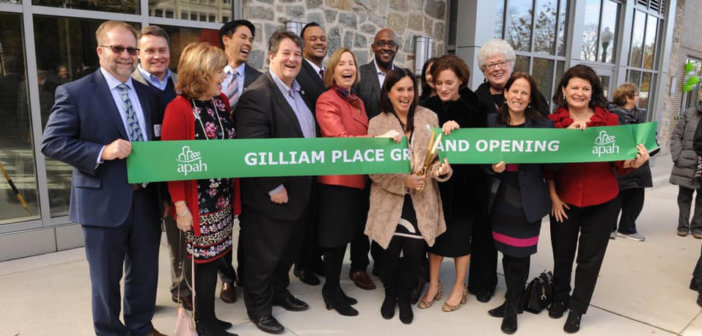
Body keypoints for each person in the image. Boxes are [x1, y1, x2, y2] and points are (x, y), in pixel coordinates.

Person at [41, 20, 165, 336]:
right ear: (100, 51)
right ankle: (109, 332)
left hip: (146, 199)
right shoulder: (75, 92)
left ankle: (141, 327)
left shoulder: (147, 93)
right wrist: (102, 151)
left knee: (144, 273)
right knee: (105, 279)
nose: (126, 55)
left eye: (131, 49)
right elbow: (52, 142)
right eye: (118, 48)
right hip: (103, 201)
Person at [547, 64, 649, 333]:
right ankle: (559, 297)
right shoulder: (552, 122)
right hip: (564, 200)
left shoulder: (609, 121)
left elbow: (619, 164)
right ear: (564, 90)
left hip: (602, 201)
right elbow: (545, 166)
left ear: (593, 92)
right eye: (574, 87)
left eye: (585, 88)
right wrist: (554, 197)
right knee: (562, 255)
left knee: (590, 261)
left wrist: (635, 162)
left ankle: (577, 310)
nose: (579, 92)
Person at [234, 30, 316, 335]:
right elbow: (253, 149)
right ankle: (259, 307)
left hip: (298, 191)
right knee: (263, 253)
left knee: (286, 250)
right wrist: (273, 186)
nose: (293, 59)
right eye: (286, 53)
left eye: (297, 54)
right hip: (272, 195)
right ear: (271, 56)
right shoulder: (257, 94)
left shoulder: (298, 91)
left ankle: (280, 291)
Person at [366, 67, 452, 324]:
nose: (405, 95)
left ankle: (405, 297)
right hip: (389, 201)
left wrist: (442, 170)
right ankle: (390, 295)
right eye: (399, 89)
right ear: (389, 93)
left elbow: (438, 159)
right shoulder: (376, 123)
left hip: (421, 202)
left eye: (410, 89)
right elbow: (372, 169)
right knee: (388, 255)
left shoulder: (430, 117)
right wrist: (403, 180)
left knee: (414, 256)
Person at [162, 42, 237, 336]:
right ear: (202, 72)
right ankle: (203, 324)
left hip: (222, 202)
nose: (224, 76)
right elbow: (172, 164)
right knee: (201, 265)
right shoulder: (178, 108)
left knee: (216, 259)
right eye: (219, 70)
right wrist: (181, 207)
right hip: (197, 204)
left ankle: (210, 317)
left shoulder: (221, 103)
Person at [316, 48, 384, 316]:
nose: (348, 67)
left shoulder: (357, 100)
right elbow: (340, 138)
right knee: (334, 240)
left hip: (357, 181)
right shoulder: (326, 99)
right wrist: (380, 141)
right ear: (332, 71)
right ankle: (331, 291)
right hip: (336, 181)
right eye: (342, 64)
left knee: (346, 236)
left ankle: (334, 288)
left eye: (352, 63)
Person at [485, 72, 553, 334]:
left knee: (520, 255)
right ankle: (511, 300)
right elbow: (480, 157)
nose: (518, 97)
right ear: (505, 93)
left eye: (524, 93)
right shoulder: (492, 121)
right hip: (500, 198)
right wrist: (492, 167)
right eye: (514, 91)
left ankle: (512, 307)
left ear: (530, 98)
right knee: (506, 252)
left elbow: (553, 163)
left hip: (527, 200)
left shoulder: (543, 126)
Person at [131, 25, 191, 311]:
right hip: (141, 179)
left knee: (179, 239)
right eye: (150, 51)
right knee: (141, 245)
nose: (157, 56)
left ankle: (182, 290)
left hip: (176, 175)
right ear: (138, 54)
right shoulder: (127, 86)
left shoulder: (181, 85)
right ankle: (142, 300)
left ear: (170, 52)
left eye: (162, 50)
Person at [421, 54, 487, 311]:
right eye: (439, 83)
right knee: (434, 239)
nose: (444, 88)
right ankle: (434, 284)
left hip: (466, 186)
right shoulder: (427, 106)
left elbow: (482, 147)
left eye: (449, 82)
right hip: (434, 186)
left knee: (461, 239)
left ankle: (459, 287)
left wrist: (460, 130)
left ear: (461, 80)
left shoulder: (476, 106)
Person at [348, 27, 400, 290]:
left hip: (392, 157)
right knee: (360, 213)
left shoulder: (401, 77)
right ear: (373, 47)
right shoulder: (361, 75)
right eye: (381, 43)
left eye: (391, 43)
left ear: (397, 49)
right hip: (365, 154)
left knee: (385, 211)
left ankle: (382, 260)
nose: (386, 47)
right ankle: (358, 266)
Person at [218, 18, 263, 302]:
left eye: (251, 39)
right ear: (226, 39)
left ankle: (246, 272)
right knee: (221, 223)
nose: (247, 43)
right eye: (243, 37)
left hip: (249, 162)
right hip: (218, 162)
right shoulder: (209, 74)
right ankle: (226, 278)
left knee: (249, 222)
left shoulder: (259, 79)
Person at [293, 21, 329, 286]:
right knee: (305, 214)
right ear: (303, 44)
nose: (319, 42)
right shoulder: (299, 72)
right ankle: (303, 264)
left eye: (322, 38)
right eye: (313, 38)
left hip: (327, 155)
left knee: (319, 211)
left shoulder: (326, 72)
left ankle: (315, 259)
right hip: (308, 153)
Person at [608, 83, 652, 242]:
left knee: (636, 197)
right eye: (636, 95)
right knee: (615, 197)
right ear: (627, 97)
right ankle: (609, 228)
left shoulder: (639, 114)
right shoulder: (612, 115)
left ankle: (627, 228)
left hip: (640, 164)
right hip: (622, 162)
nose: (638, 97)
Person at [475, 38, 549, 116]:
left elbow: (545, 120)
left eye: (501, 63)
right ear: (484, 70)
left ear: (511, 64)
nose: (497, 68)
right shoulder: (476, 99)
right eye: (491, 65)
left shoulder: (529, 90)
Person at [670, 88, 702, 239]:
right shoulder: (689, 113)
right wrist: (677, 156)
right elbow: (676, 136)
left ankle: (698, 227)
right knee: (684, 196)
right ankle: (683, 226)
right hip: (686, 161)